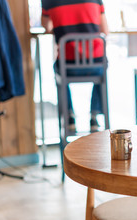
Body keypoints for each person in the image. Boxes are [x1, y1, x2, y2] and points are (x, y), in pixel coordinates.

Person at [41, 0, 109, 131]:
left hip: (68, 65)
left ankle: (69, 115)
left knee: (57, 69)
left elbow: (47, 26)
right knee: (104, 67)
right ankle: (94, 115)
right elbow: (105, 30)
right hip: (95, 64)